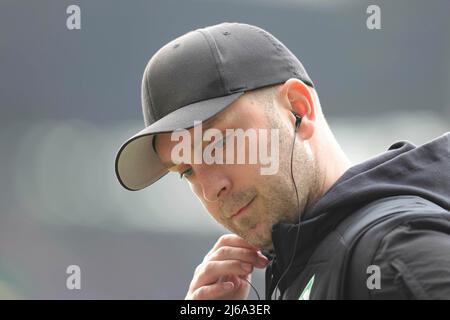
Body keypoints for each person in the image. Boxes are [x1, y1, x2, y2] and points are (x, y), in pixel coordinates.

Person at [115, 22, 450, 300]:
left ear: (297, 109)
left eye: (218, 144)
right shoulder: (312, 263)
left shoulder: (392, 253)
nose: (209, 188)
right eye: (186, 170)